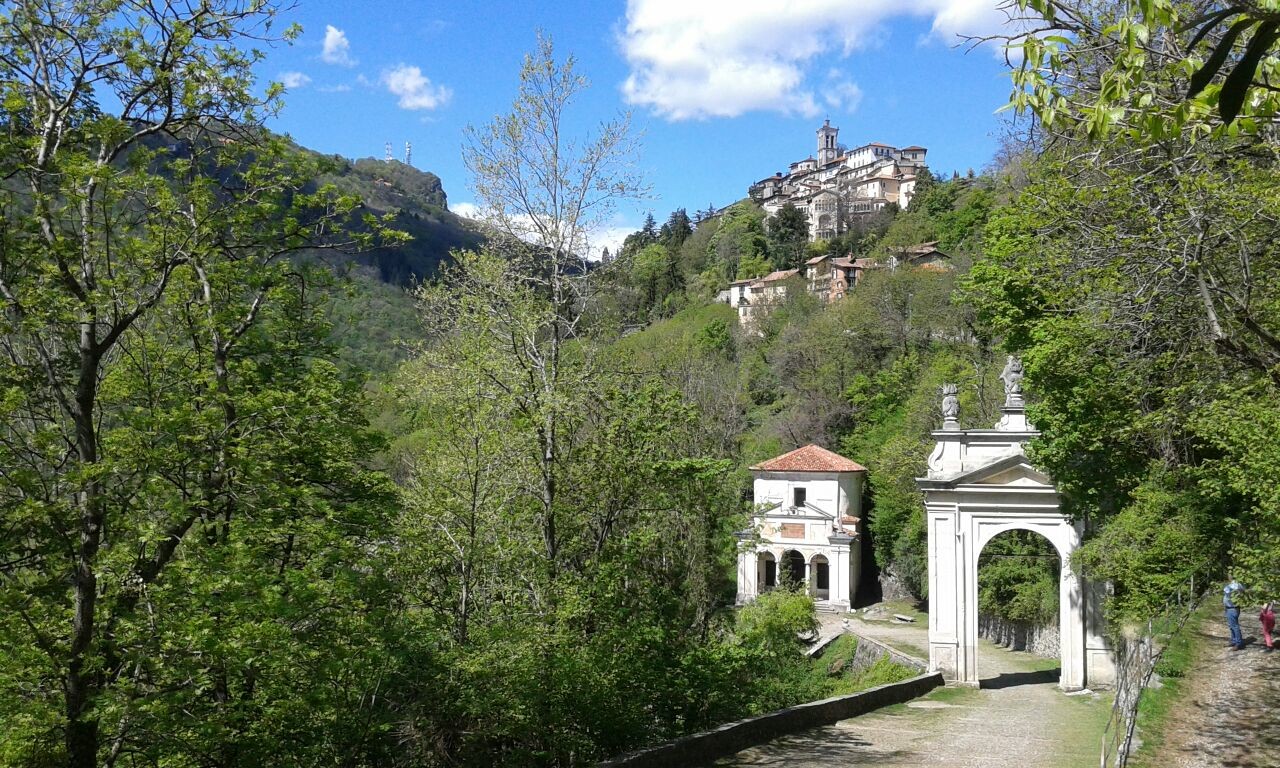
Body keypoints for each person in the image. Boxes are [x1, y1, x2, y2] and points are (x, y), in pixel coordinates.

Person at [1223, 577, 1246, 650]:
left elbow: (1226, 591)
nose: (1228, 576)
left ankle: (1238, 643)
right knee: (1232, 626)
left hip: (1232, 608)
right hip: (1232, 608)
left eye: (1229, 575)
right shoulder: (1239, 584)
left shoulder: (1233, 585)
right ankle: (1234, 641)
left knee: (1235, 626)